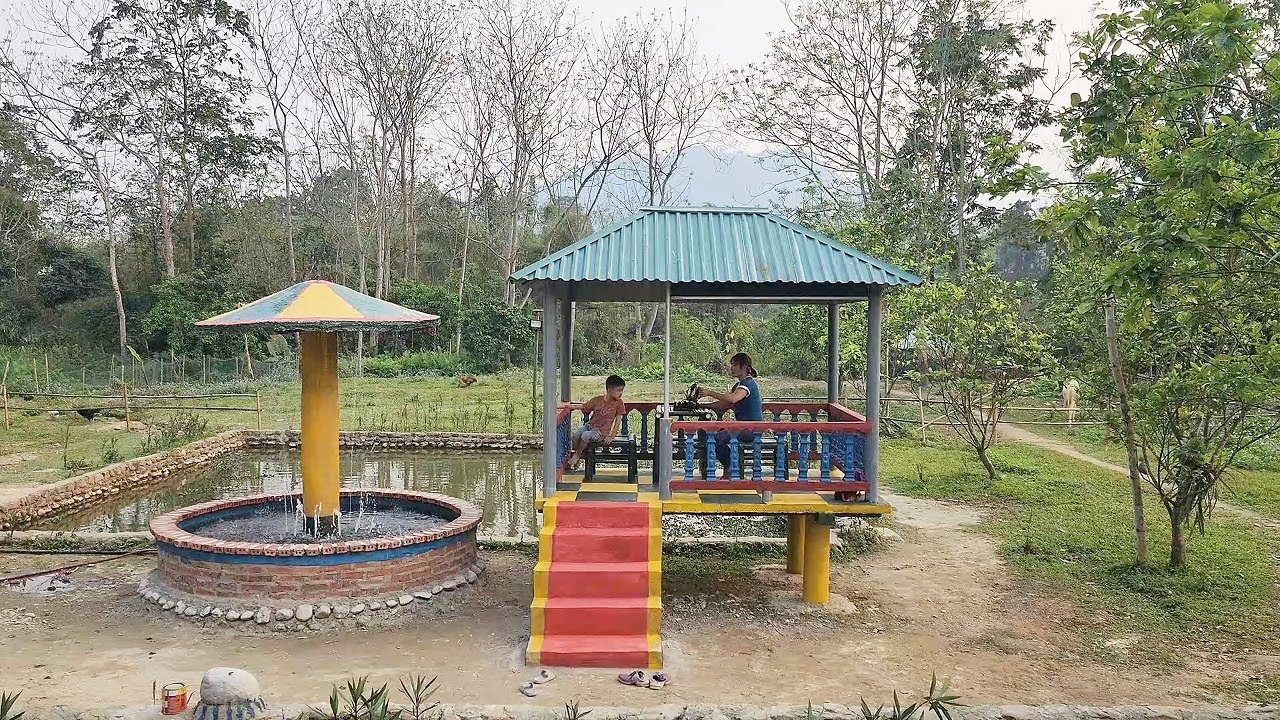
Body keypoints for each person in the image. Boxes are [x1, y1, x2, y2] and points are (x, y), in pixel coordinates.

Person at [697, 352, 762, 475]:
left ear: (743, 367)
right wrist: (702, 405)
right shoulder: (738, 386)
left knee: (716, 439)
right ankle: (719, 467)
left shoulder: (748, 384)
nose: (732, 368)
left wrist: (709, 393)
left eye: (735, 365)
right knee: (710, 432)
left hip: (751, 430)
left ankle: (731, 466)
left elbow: (733, 399)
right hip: (741, 427)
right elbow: (724, 405)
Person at [567, 374, 627, 470]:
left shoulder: (619, 404)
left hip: (601, 432)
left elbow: (618, 421)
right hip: (590, 426)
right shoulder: (597, 400)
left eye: (622, 390)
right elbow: (584, 406)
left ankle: (577, 455)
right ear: (609, 390)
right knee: (576, 436)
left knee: (585, 436)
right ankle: (579, 454)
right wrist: (571, 407)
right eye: (619, 390)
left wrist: (612, 436)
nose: (621, 393)